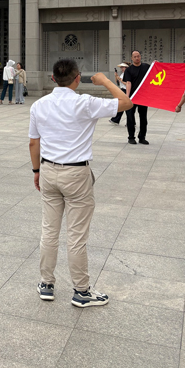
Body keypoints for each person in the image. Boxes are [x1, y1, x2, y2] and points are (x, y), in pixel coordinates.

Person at [29, 59, 132, 307]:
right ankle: (81, 291)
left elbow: (33, 142)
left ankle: (46, 283)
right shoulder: (85, 103)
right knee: (76, 236)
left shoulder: (39, 105)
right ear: (78, 78)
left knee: (49, 231)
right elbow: (126, 103)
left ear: (53, 78)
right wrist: (106, 81)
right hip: (76, 173)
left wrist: (36, 171)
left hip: (48, 169)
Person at [123, 50, 151, 145]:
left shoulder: (146, 67)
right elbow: (128, 83)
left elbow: (155, 71)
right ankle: (131, 137)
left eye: (138, 56)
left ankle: (142, 137)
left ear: (140, 57)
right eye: (134, 57)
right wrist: (127, 96)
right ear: (131, 58)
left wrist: (156, 64)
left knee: (143, 118)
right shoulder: (129, 70)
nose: (137, 58)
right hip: (132, 97)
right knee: (130, 117)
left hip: (143, 97)